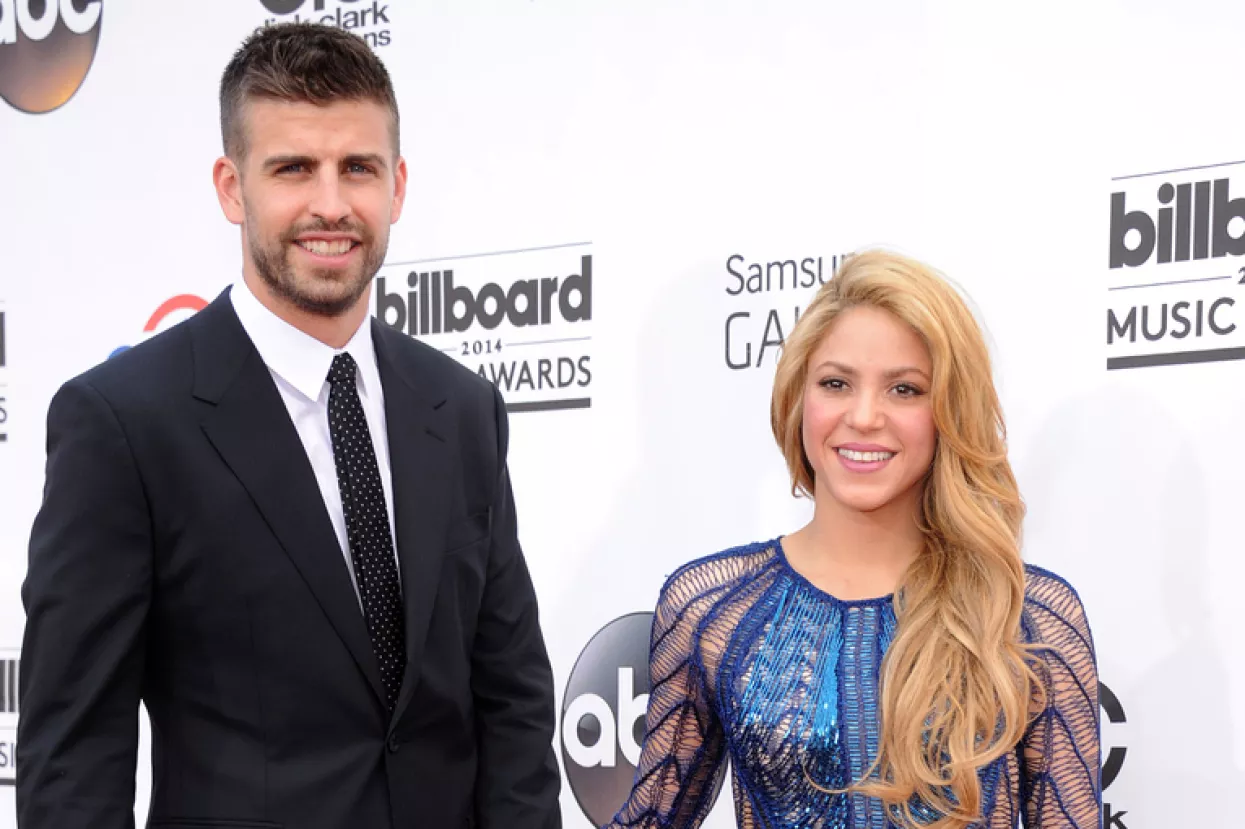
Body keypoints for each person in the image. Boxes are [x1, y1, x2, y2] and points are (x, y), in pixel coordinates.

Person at [16, 22, 562, 829]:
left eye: (359, 169)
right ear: (232, 187)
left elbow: (511, 700)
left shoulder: (464, 408)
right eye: (293, 169)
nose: (331, 204)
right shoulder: (125, 423)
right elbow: (72, 763)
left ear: (398, 186)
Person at [605, 249, 1101, 828]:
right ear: (798, 398)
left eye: (905, 390)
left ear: (950, 411)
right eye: (836, 383)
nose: (864, 416)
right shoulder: (711, 608)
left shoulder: (1026, 616)